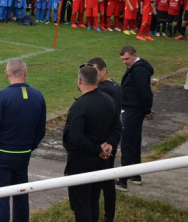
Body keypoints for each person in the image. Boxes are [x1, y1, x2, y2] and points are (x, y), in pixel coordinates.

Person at [0, 58, 46, 222]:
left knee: (0, 200)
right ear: (25, 73)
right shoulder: (38, 95)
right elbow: (40, 129)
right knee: (21, 195)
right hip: (23, 156)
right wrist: (28, 148)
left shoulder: (1, 96)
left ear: (6, 73)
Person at [63, 64, 122, 222]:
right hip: (101, 161)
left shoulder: (80, 105)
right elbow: (117, 127)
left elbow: (75, 137)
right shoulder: (109, 101)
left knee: (81, 204)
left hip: (82, 161)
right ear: (97, 80)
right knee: (92, 201)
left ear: (79, 80)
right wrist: (109, 144)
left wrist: (97, 149)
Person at [116, 45, 155, 192]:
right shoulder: (137, 68)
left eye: (127, 58)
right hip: (134, 109)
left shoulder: (138, 70)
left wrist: (147, 110)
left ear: (134, 55)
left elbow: (144, 92)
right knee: (134, 142)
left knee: (127, 144)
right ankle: (135, 175)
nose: (125, 62)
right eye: (122, 60)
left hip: (133, 111)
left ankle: (122, 181)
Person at [89, 57, 122, 222]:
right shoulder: (114, 85)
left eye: (95, 72)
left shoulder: (104, 89)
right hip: (111, 139)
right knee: (107, 180)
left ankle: (106, 216)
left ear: (104, 70)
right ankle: (108, 216)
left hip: (104, 143)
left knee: (104, 182)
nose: (93, 76)